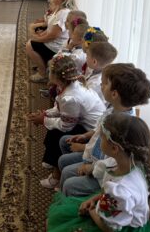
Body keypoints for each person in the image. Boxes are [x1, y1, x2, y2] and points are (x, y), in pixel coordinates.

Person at [47, 114, 150, 232]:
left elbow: (108, 228)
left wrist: (91, 211)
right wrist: (94, 199)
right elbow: (109, 194)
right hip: (112, 211)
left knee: (56, 223)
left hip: (113, 226)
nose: (99, 139)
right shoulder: (130, 165)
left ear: (114, 148)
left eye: (102, 137)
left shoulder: (121, 191)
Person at [58, 63, 150, 197]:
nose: (101, 85)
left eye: (104, 83)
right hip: (95, 156)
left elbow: (114, 162)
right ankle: (65, 189)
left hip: (104, 174)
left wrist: (90, 167)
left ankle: (68, 198)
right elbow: (99, 129)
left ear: (114, 94)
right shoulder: (113, 109)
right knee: (63, 155)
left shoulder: (124, 127)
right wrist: (85, 136)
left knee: (69, 180)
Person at [27, 55, 105, 189]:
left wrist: (43, 120)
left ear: (54, 76)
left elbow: (65, 126)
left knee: (56, 133)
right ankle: (51, 159)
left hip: (92, 131)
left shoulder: (70, 98)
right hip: (84, 123)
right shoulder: (68, 85)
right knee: (52, 129)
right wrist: (46, 114)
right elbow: (60, 109)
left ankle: (56, 176)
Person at [26, 0, 77, 82]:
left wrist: (37, 39)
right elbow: (50, 28)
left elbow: (53, 35)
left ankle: (42, 74)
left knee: (29, 45)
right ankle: (45, 65)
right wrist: (41, 34)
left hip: (57, 47)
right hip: (54, 42)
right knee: (33, 41)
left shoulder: (64, 13)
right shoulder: (59, 9)